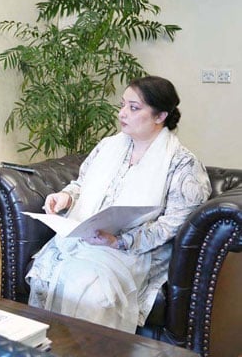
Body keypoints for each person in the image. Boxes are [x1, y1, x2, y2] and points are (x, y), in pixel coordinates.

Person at [26, 76, 212, 332]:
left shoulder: (182, 164)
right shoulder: (108, 146)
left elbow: (174, 225)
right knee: (46, 276)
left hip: (138, 250)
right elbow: (81, 183)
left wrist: (120, 241)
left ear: (160, 116)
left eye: (134, 108)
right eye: (122, 105)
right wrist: (66, 197)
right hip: (86, 239)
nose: (122, 113)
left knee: (91, 292)